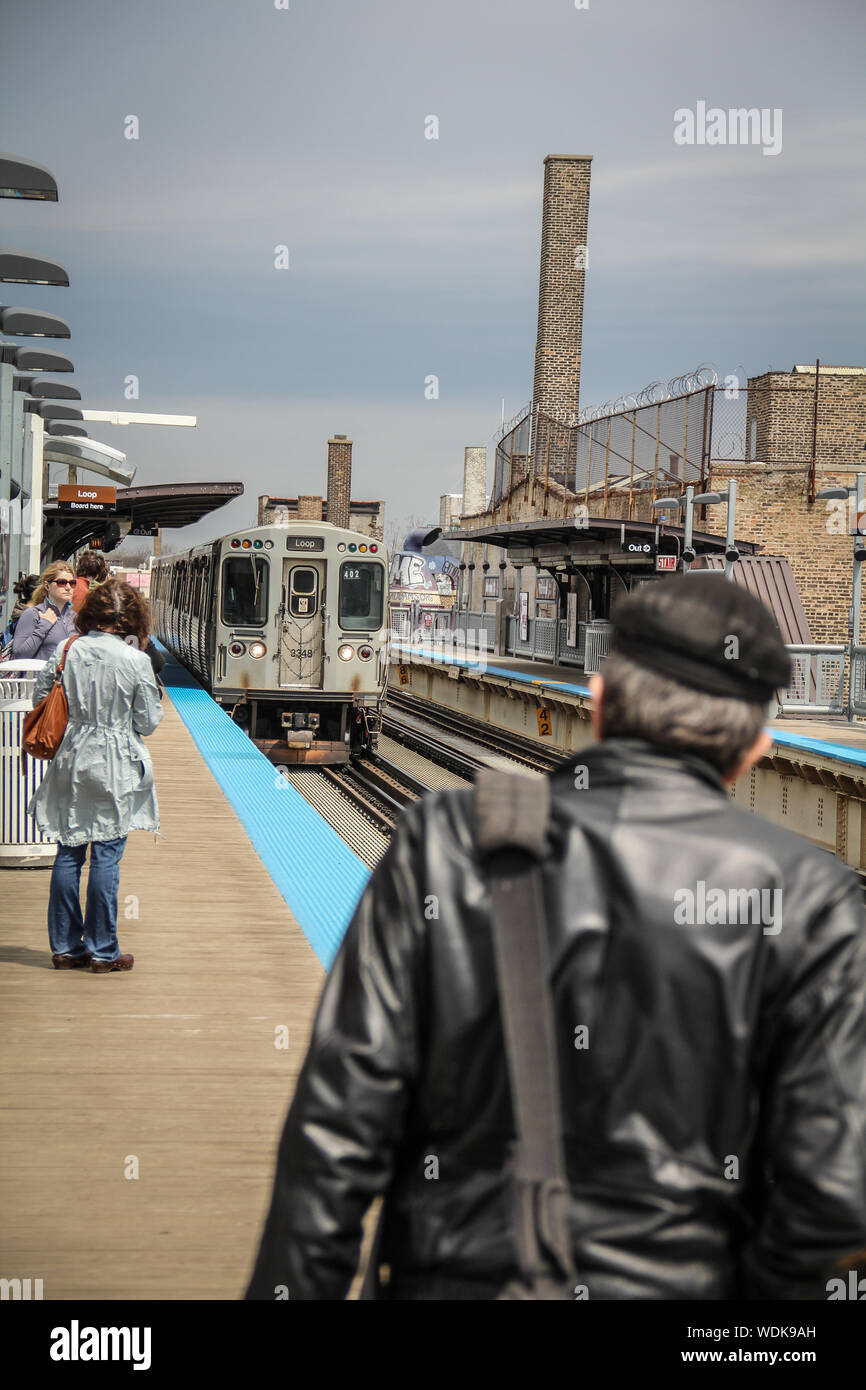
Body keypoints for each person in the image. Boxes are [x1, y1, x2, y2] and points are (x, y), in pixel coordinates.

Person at [245, 574, 866, 1300]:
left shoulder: (443, 845)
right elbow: (834, 1195)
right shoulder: (808, 899)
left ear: (600, 706)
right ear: (756, 746)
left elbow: (335, 1130)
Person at [28, 579, 163, 974]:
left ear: (91, 614)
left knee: (69, 852)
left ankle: (66, 948)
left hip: (71, 756)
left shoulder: (67, 651)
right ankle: (104, 951)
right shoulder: (135, 660)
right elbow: (148, 721)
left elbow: (41, 698)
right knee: (106, 854)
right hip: (115, 761)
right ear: (132, 618)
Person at [10, 561, 78, 661]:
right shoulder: (33, 614)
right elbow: (19, 655)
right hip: (39, 675)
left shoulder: (76, 617)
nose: (68, 588)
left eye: (72, 583)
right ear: (47, 586)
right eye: (62, 582)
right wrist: (44, 626)